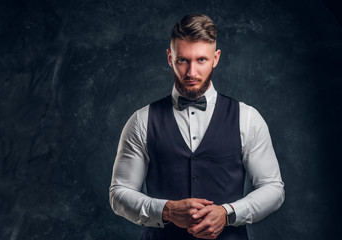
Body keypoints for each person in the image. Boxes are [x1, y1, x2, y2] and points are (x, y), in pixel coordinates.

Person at [109, 13, 285, 240]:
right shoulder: (141, 120)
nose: (191, 73)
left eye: (201, 60)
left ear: (216, 58)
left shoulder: (248, 118)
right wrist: (166, 210)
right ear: (170, 58)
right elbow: (119, 193)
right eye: (183, 60)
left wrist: (228, 213)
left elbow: (273, 189)